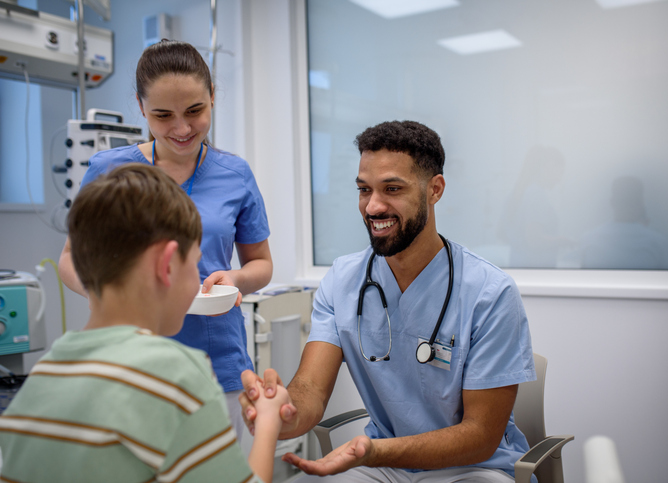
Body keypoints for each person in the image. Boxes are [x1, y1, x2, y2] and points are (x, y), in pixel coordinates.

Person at [241, 121, 537, 482]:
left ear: (435, 189)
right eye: (364, 190)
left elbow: (481, 436)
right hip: (383, 467)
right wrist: (286, 413)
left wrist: (373, 451)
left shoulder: (489, 294)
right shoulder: (342, 281)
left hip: (473, 468)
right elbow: (311, 388)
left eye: (392, 188)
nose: (373, 206)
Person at [0, 164, 288, 483]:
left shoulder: (40, 378)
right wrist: (267, 424)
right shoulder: (177, 375)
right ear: (166, 265)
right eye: (194, 264)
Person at [58, 40, 273, 441]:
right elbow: (70, 258)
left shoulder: (235, 174)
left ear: (212, 97)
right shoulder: (110, 169)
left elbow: (261, 264)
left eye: (195, 111)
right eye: (162, 115)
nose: (181, 129)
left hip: (216, 359)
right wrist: (110, 293)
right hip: (125, 357)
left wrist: (235, 279)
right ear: (141, 108)